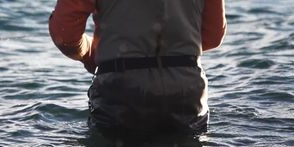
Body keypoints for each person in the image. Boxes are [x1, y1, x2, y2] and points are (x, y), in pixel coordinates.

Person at [49, 0, 226, 136]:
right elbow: (213, 35)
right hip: (186, 89)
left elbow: (65, 34)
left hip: (123, 88)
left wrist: (91, 54)